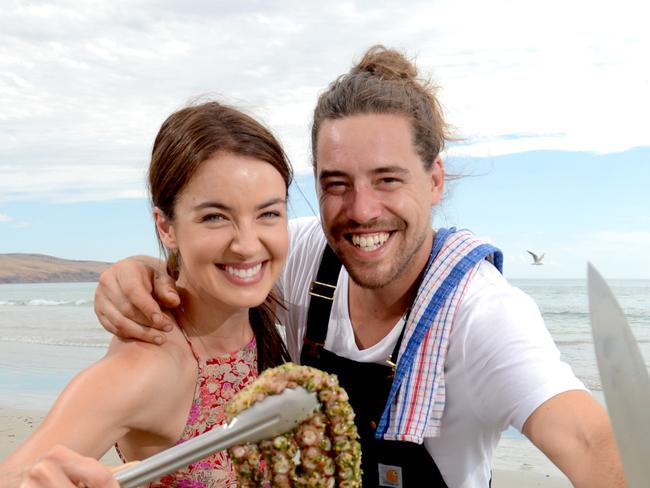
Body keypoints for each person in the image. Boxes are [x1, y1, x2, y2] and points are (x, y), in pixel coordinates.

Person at [97, 46, 624, 487]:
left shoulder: (483, 314)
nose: (361, 209)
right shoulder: (308, 251)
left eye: (388, 179)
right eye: (336, 184)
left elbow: (588, 440)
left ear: (435, 180)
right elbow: (225, 263)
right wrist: (141, 270)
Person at [0, 101, 293, 487]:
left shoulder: (260, 308)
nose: (247, 244)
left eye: (268, 213)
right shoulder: (150, 365)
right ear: (166, 227)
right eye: (214, 217)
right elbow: (20, 474)